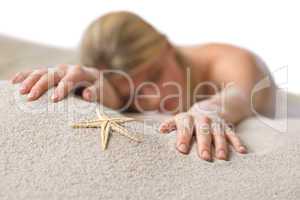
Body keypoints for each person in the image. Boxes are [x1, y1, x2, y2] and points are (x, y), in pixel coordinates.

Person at [10, 11, 276, 161]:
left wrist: (210, 108)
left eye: (155, 75)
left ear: (168, 47)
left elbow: (241, 95)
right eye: (133, 92)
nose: (154, 97)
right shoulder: (124, 93)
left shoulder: (229, 60)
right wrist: (107, 97)